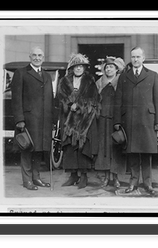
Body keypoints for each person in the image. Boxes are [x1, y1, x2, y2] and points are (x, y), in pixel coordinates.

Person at [113, 47, 158, 195]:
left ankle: (148, 183)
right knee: (133, 153)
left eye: (138, 57)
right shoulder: (124, 76)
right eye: (133, 57)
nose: (135, 60)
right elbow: (118, 100)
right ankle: (133, 182)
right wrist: (117, 121)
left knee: (147, 153)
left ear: (143, 58)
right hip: (129, 121)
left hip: (147, 120)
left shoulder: (153, 75)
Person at [11, 46, 54, 190]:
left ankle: (36, 178)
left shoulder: (47, 76)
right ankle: (27, 180)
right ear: (30, 57)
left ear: (43, 57)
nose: (37, 58)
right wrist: (19, 119)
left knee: (39, 150)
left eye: (40, 55)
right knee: (27, 149)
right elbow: (16, 99)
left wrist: (52, 121)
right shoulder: (21, 73)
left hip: (44, 121)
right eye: (34, 55)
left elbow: (50, 99)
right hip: (28, 121)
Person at [57, 53, 101, 189]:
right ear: (72, 68)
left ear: (84, 68)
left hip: (84, 121)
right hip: (69, 119)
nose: (78, 69)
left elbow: (94, 99)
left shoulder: (90, 80)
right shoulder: (64, 81)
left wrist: (80, 105)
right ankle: (73, 176)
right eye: (76, 66)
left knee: (83, 147)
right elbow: (60, 97)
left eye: (81, 66)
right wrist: (70, 104)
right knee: (70, 148)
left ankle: (83, 177)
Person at [95, 56, 127, 187]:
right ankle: (106, 177)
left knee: (116, 148)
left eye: (111, 67)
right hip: (102, 120)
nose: (108, 69)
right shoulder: (98, 83)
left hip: (116, 121)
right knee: (104, 149)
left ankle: (116, 177)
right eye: (106, 67)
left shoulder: (121, 82)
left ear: (116, 69)